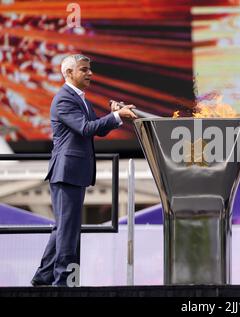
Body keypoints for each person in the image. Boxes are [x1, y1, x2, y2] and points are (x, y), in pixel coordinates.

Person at [31, 54, 137, 287]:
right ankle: (64, 283)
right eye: (84, 69)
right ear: (69, 73)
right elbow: (86, 128)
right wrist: (116, 116)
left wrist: (115, 116)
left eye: (90, 69)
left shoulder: (79, 99)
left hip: (72, 172)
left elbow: (96, 129)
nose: (90, 73)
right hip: (67, 172)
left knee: (64, 228)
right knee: (68, 230)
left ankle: (43, 278)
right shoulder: (64, 99)